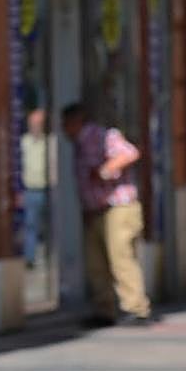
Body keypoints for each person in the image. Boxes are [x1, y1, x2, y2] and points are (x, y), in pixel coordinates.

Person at [61, 103, 152, 327]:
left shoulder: (101, 135)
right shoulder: (79, 145)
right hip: (95, 210)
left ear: (76, 122)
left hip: (119, 207)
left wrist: (104, 171)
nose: (63, 130)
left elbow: (130, 153)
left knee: (120, 257)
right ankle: (104, 310)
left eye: (65, 125)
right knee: (96, 263)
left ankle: (136, 308)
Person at [21, 108, 54, 268]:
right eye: (31, 124)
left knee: (51, 225)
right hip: (30, 190)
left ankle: (51, 257)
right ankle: (30, 258)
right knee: (30, 225)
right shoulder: (23, 143)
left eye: (37, 124)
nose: (34, 127)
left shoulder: (50, 142)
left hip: (48, 190)